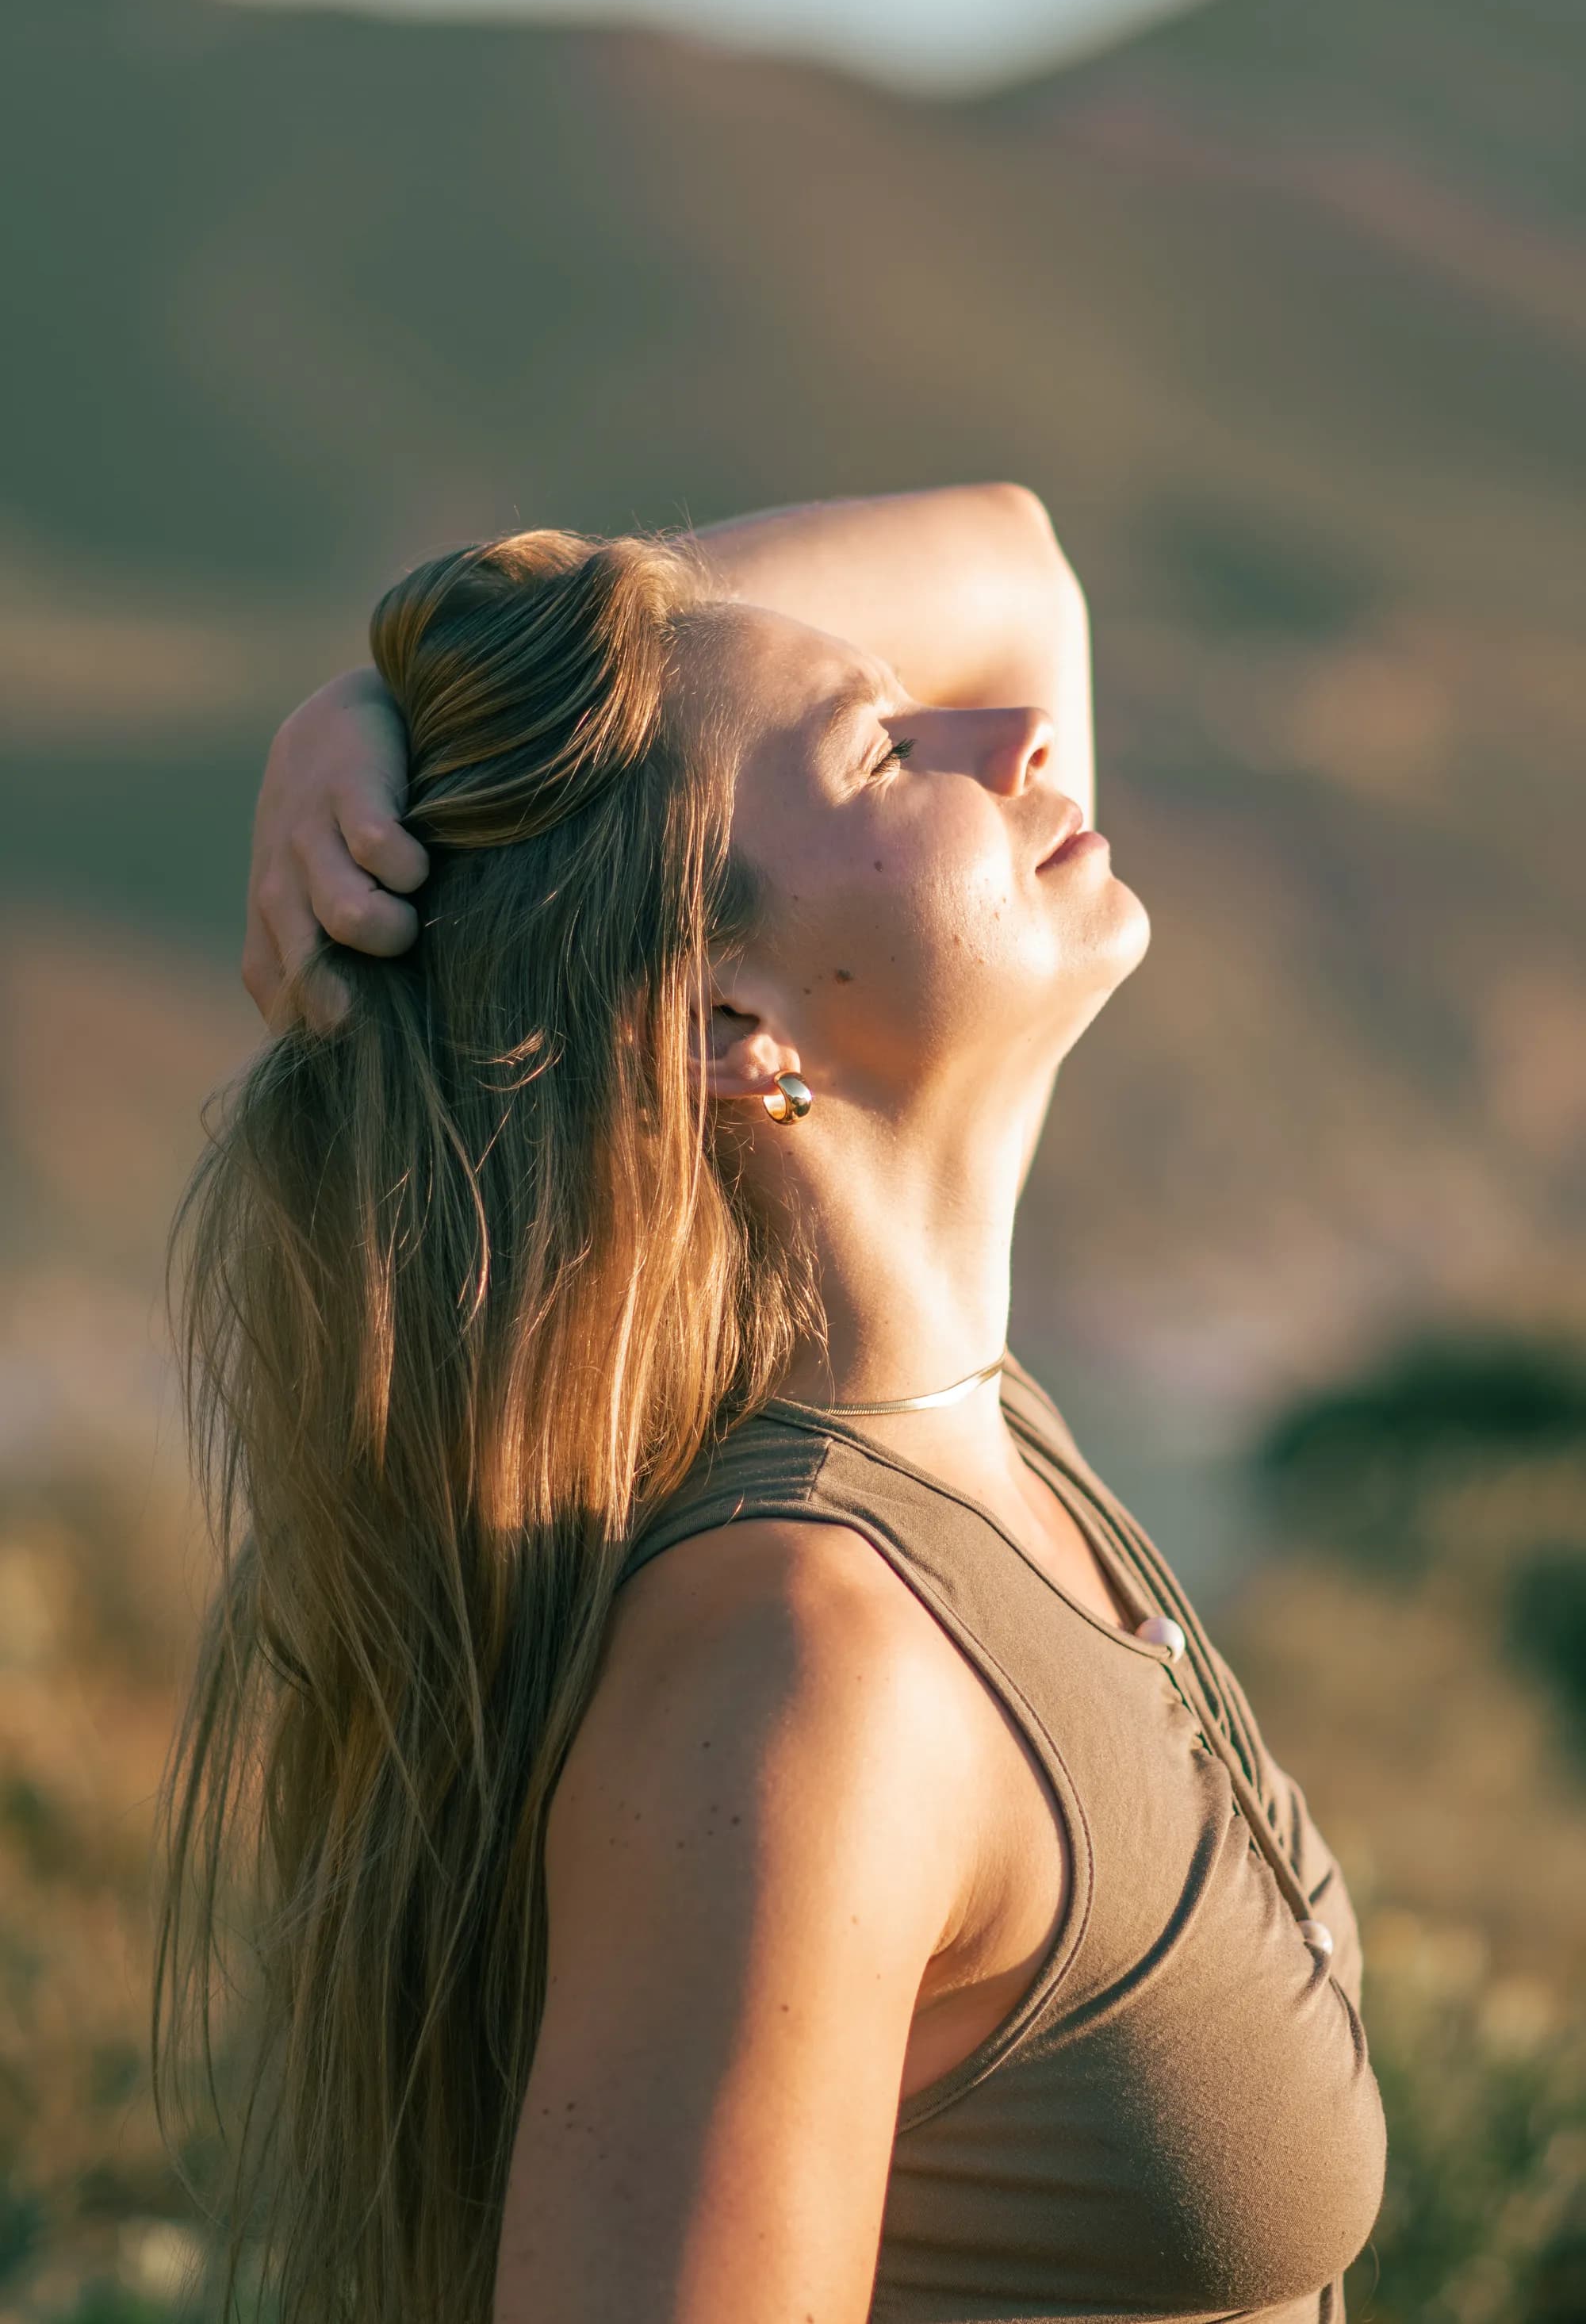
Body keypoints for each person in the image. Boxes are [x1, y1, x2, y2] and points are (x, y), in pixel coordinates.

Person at [161, 486, 1385, 2324]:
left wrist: (401, 713)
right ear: (732, 1035)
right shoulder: (804, 1677)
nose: (1018, 737)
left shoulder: (958, 1422)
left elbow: (1017, 564)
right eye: (893, 748)